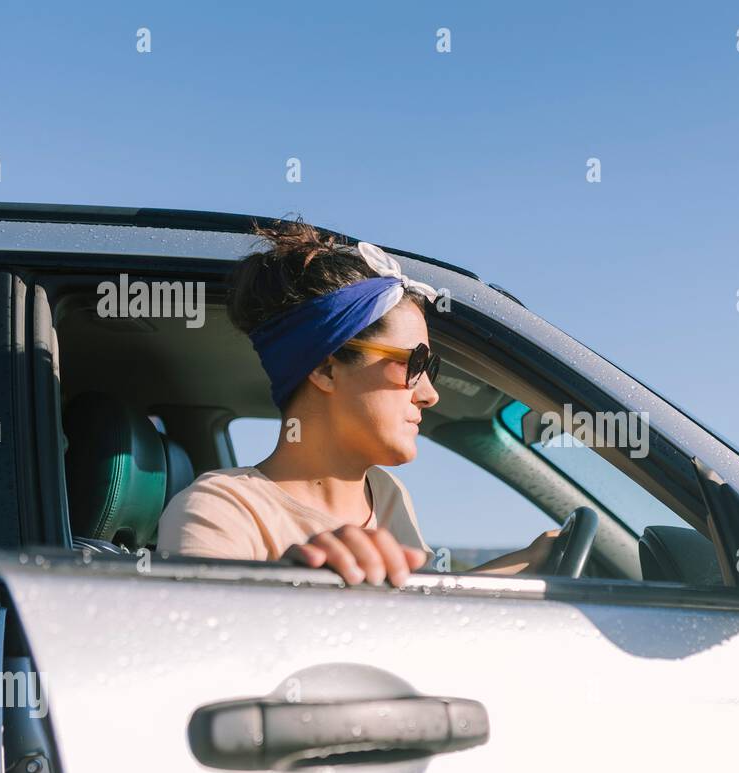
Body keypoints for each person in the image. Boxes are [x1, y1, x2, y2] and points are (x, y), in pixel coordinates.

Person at [157, 220, 556, 585]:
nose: (430, 394)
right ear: (327, 369)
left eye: (429, 369)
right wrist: (290, 583)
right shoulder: (221, 509)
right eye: (413, 363)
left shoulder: (386, 494)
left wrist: (533, 558)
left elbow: (420, 614)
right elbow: (199, 647)